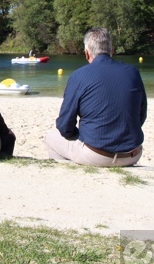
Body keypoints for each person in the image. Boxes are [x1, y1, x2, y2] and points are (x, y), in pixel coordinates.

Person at [45, 28, 146, 167]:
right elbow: (141, 115)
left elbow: (64, 125)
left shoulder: (78, 76)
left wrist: (78, 135)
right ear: (112, 50)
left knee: (50, 138)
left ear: (87, 53)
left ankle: (68, 173)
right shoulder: (133, 72)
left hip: (97, 155)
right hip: (132, 154)